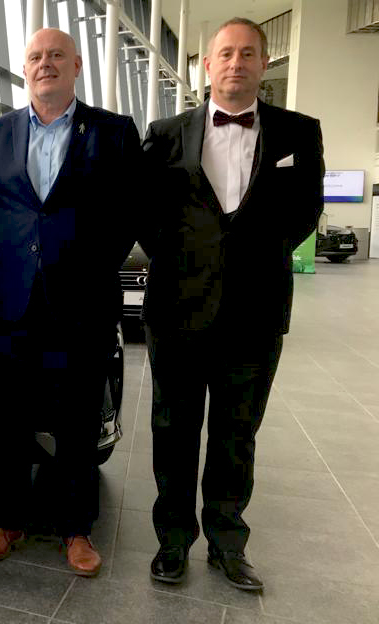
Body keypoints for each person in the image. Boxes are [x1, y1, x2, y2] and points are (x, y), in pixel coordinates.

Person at [141, 17, 323, 591]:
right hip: (178, 309)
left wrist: (248, 261)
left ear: (263, 65)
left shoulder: (298, 132)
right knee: (173, 432)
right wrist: (189, 263)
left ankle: (226, 543)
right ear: (206, 65)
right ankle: (172, 542)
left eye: (248, 54)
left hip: (256, 311)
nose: (236, 63)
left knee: (236, 435)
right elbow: (146, 216)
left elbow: (303, 214)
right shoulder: (166, 133)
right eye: (226, 53)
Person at [0, 28, 141, 577]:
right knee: (8, 420)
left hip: (81, 302)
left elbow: (129, 213)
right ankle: (5, 521)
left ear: (77, 65)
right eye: (36, 57)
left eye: (56, 56)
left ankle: (76, 528)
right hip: (10, 300)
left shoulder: (113, 132)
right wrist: (20, 258)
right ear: (25, 69)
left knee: (77, 421)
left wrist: (83, 264)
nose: (46, 64)